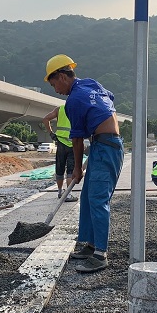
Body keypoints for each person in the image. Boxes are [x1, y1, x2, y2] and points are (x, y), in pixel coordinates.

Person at [45, 54, 123, 273]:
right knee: (89, 198)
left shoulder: (74, 101)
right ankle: (90, 244)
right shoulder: (90, 84)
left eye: (54, 84)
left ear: (62, 76)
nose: (55, 90)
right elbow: (110, 97)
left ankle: (100, 254)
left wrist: (77, 168)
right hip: (102, 145)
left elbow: (76, 139)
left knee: (98, 199)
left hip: (107, 147)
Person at [42, 105, 78, 202]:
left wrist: (51, 133)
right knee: (70, 171)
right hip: (73, 143)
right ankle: (68, 195)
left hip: (61, 143)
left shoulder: (60, 109)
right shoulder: (79, 108)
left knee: (60, 168)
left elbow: (45, 119)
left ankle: (60, 192)